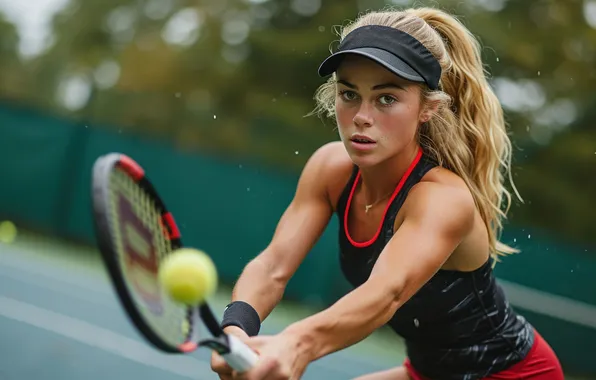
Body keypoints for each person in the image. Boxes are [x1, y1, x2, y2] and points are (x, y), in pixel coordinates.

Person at [210, 6, 565, 380]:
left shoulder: (442, 199)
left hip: (513, 374)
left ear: (427, 108)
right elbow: (272, 268)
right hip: (427, 372)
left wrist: (296, 343)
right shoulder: (329, 169)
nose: (362, 116)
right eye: (349, 94)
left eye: (386, 98)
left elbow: (386, 294)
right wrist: (237, 329)